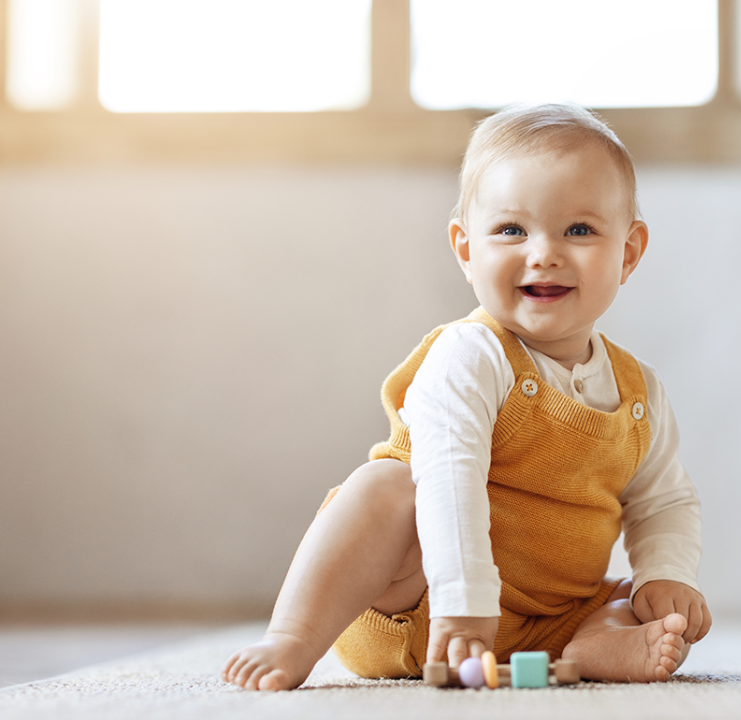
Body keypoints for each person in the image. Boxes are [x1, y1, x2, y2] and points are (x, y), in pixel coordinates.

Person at [222, 103, 711, 691]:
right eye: (511, 230)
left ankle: (598, 647)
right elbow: (450, 476)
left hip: (548, 621)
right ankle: (293, 635)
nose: (544, 252)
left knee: (641, 602)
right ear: (465, 249)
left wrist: (666, 575)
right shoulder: (471, 355)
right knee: (384, 487)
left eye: (578, 230)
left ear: (628, 252)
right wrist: (461, 598)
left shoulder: (639, 393)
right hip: (420, 602)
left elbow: (664, 502)